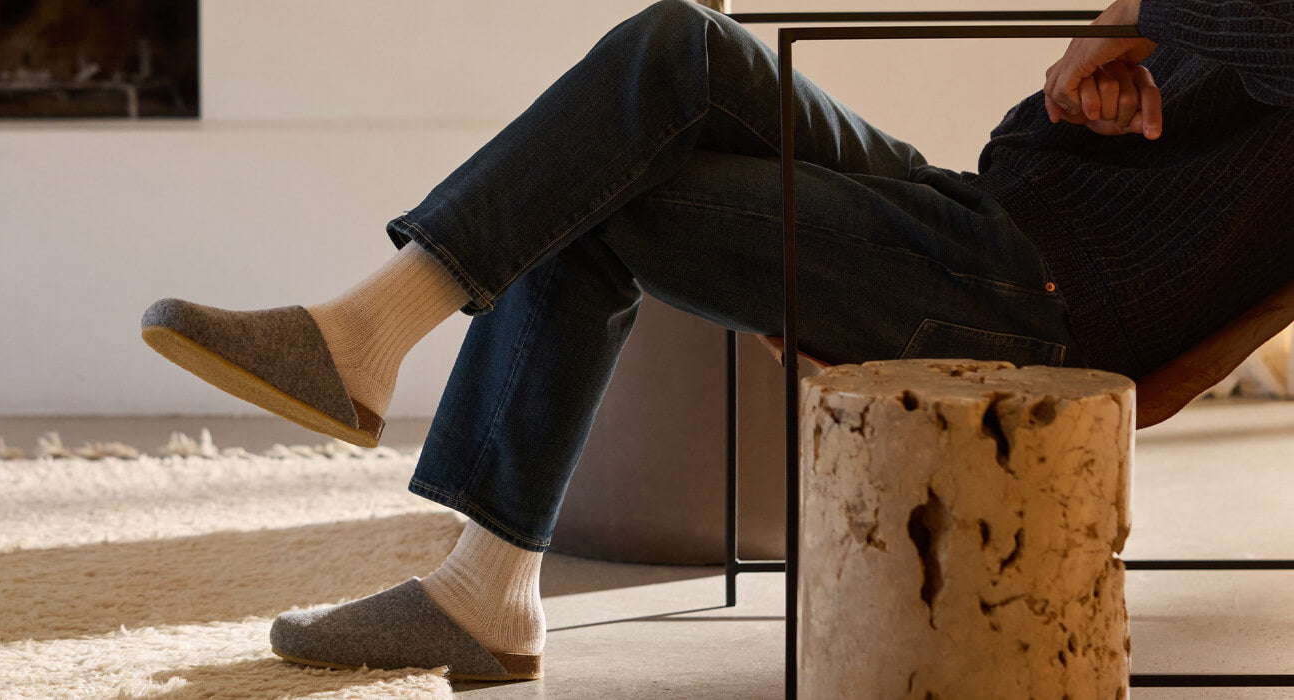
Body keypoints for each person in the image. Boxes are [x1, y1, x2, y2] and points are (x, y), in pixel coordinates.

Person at [141, 0, 1293, 681]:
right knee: (680, 40)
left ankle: (477, 574)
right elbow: (1039, 151)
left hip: (1036, 293)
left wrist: (1136, 18)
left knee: (604, 194)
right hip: (979, 210)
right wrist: (1078, 88)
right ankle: (366, 338)